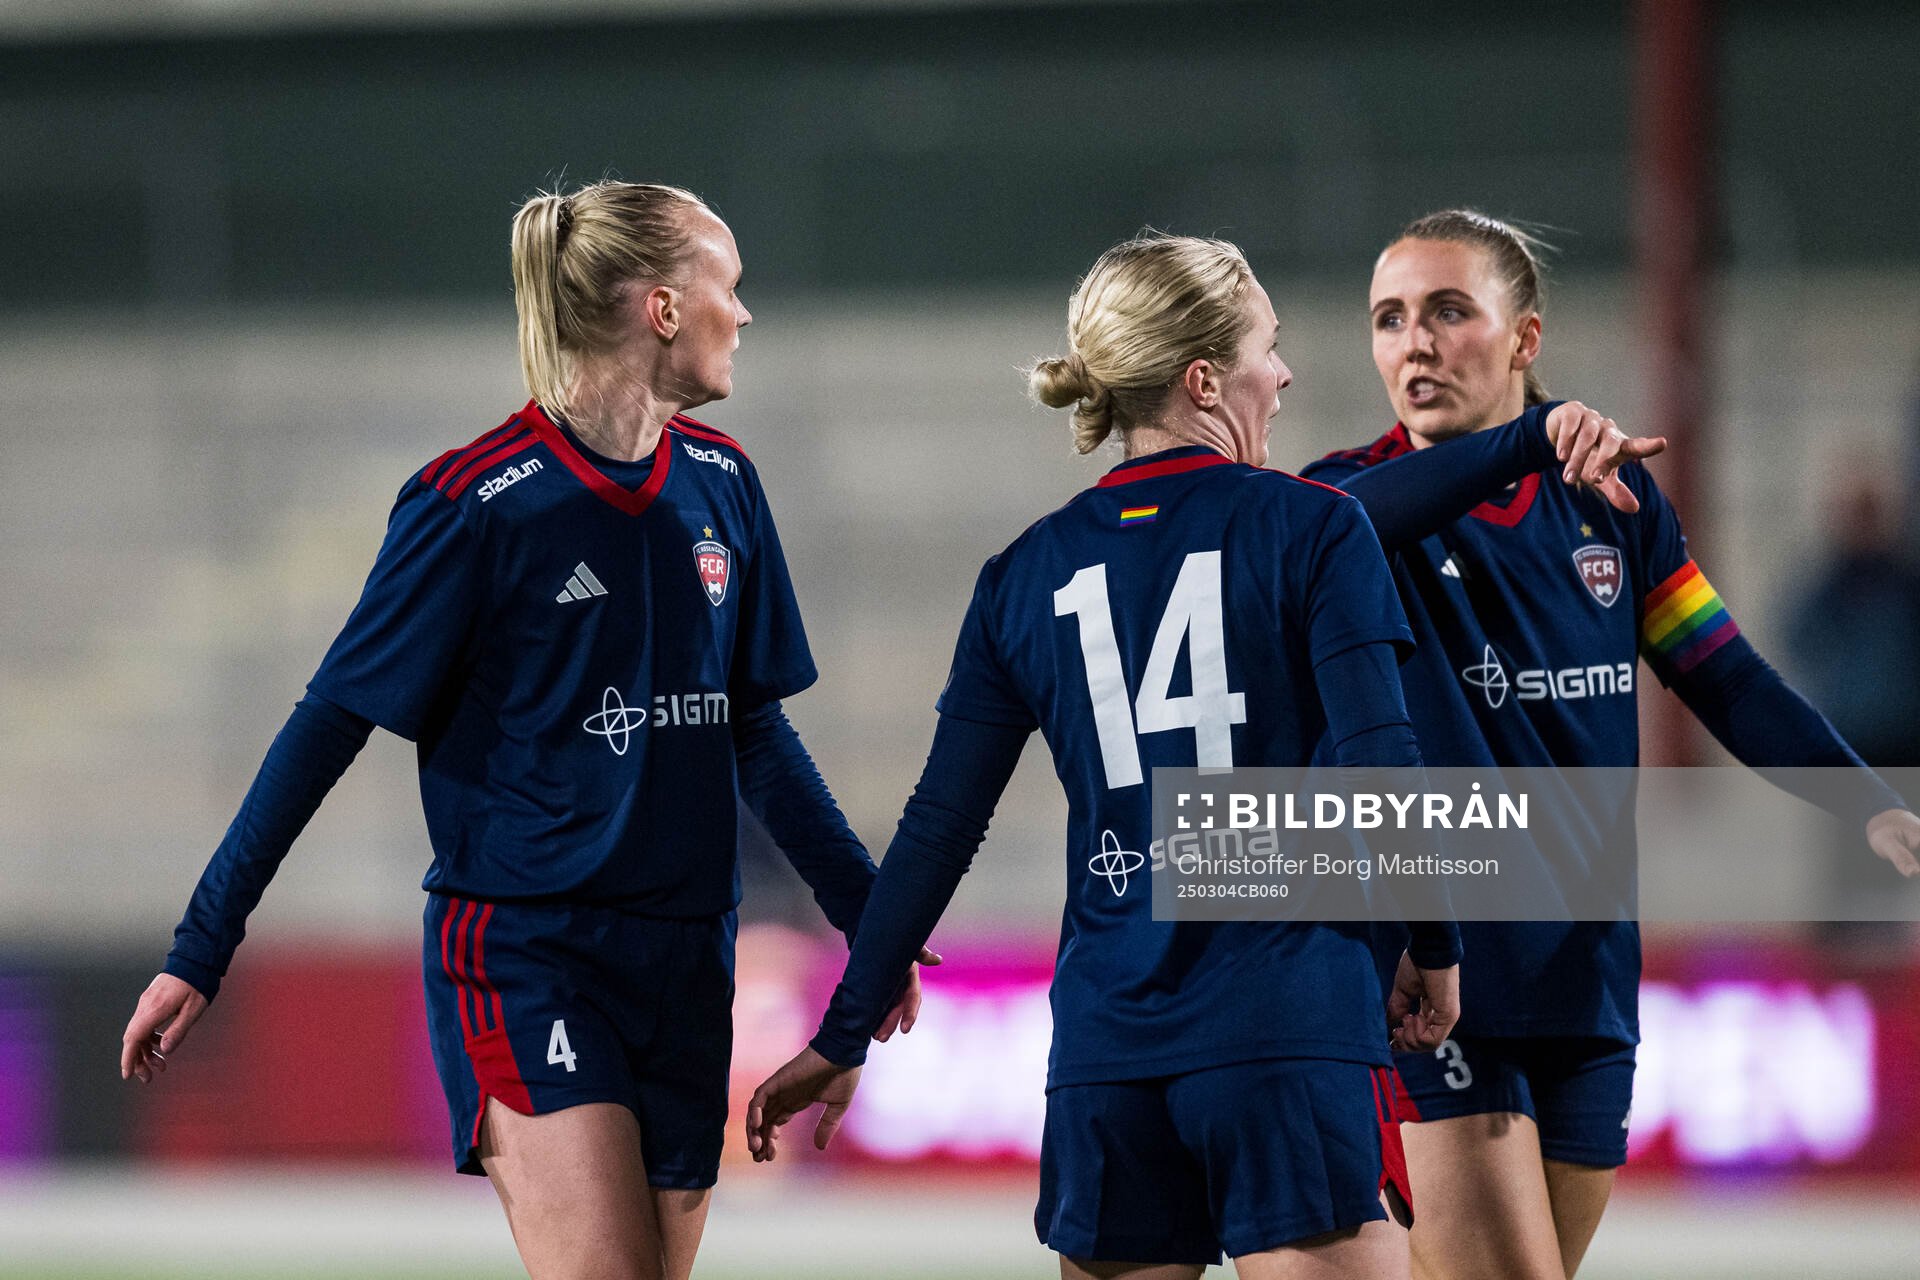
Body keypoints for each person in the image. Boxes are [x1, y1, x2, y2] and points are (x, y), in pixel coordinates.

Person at [117, 180, 926, 1280]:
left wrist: (871, 921)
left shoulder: (727, 487)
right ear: (661, 308)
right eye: (727, 288)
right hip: (530, 951)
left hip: (690, 959)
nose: (746, 314)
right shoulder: (474, 504)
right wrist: (201, 946)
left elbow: (753, 736)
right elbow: (327, 726)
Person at [747, 233, 1465, 1280]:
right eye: (1269, 344)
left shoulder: (1022, 573)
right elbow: (1383, 763)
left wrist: (847, 1028)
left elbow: (939, 827)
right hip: (1285, 1031)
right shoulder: (1316, 528)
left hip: (1107, 1056)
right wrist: (1435, 950)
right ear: (1206, 376)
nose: (1286, 370)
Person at [1301, 208, 1920, 1280]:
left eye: (1450, 311)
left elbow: (1725, 674)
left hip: (1587, 976)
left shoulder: (1617, 508)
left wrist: (1870, 802)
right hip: (1432, 981)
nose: (1416, 342)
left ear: (1525, 337)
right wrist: (1529, 438)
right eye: (1390, 318)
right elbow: (1350, 524)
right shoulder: (1340, 502)